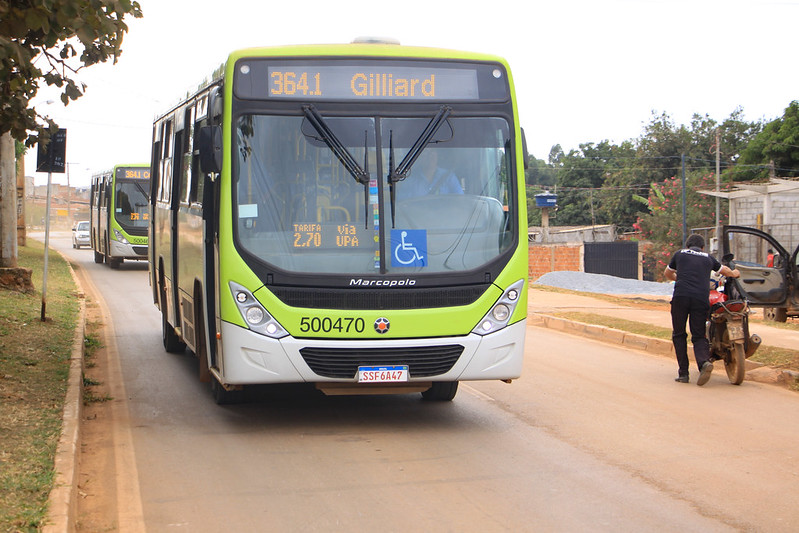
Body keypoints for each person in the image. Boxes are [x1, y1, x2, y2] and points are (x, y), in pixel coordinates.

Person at [664, 234, 740, 386]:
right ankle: (703, 363)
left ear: (687, 246)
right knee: (699, 335)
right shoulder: (708, 257)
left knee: (679, 334)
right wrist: (734, 273)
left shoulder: (679, 254)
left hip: (681, 297)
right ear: (703, 247)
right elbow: (723, 270)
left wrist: (680, 278)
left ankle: (683, 374)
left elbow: (667, 273)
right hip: (700, 298)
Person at [397, 149, 463, 200]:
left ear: (437, 155)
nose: (430, 156)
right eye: (426, 153)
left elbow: (460, 201)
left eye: (432, 152)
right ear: (419, 157)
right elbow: (403, 204)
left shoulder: (449, 177)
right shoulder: (410, 180)